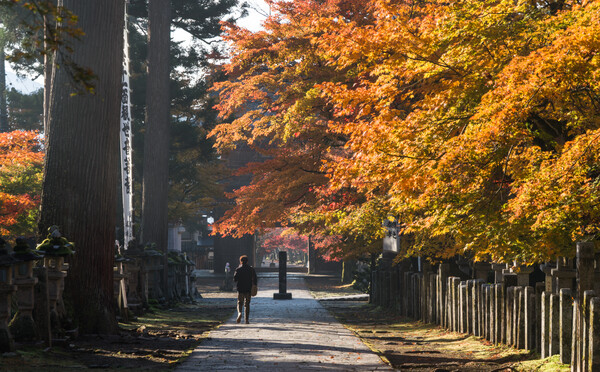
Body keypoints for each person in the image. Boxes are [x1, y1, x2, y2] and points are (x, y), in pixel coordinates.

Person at [233, 255, 257, 324]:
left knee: (240, 303)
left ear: (241, 261)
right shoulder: (251, 269)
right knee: (247, 304)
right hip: (248, 289)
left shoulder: (238, 269)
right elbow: (255, 279)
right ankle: (246, 320)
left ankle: (239, 313)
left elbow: (235, 279)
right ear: (247, 261)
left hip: (240, 288)